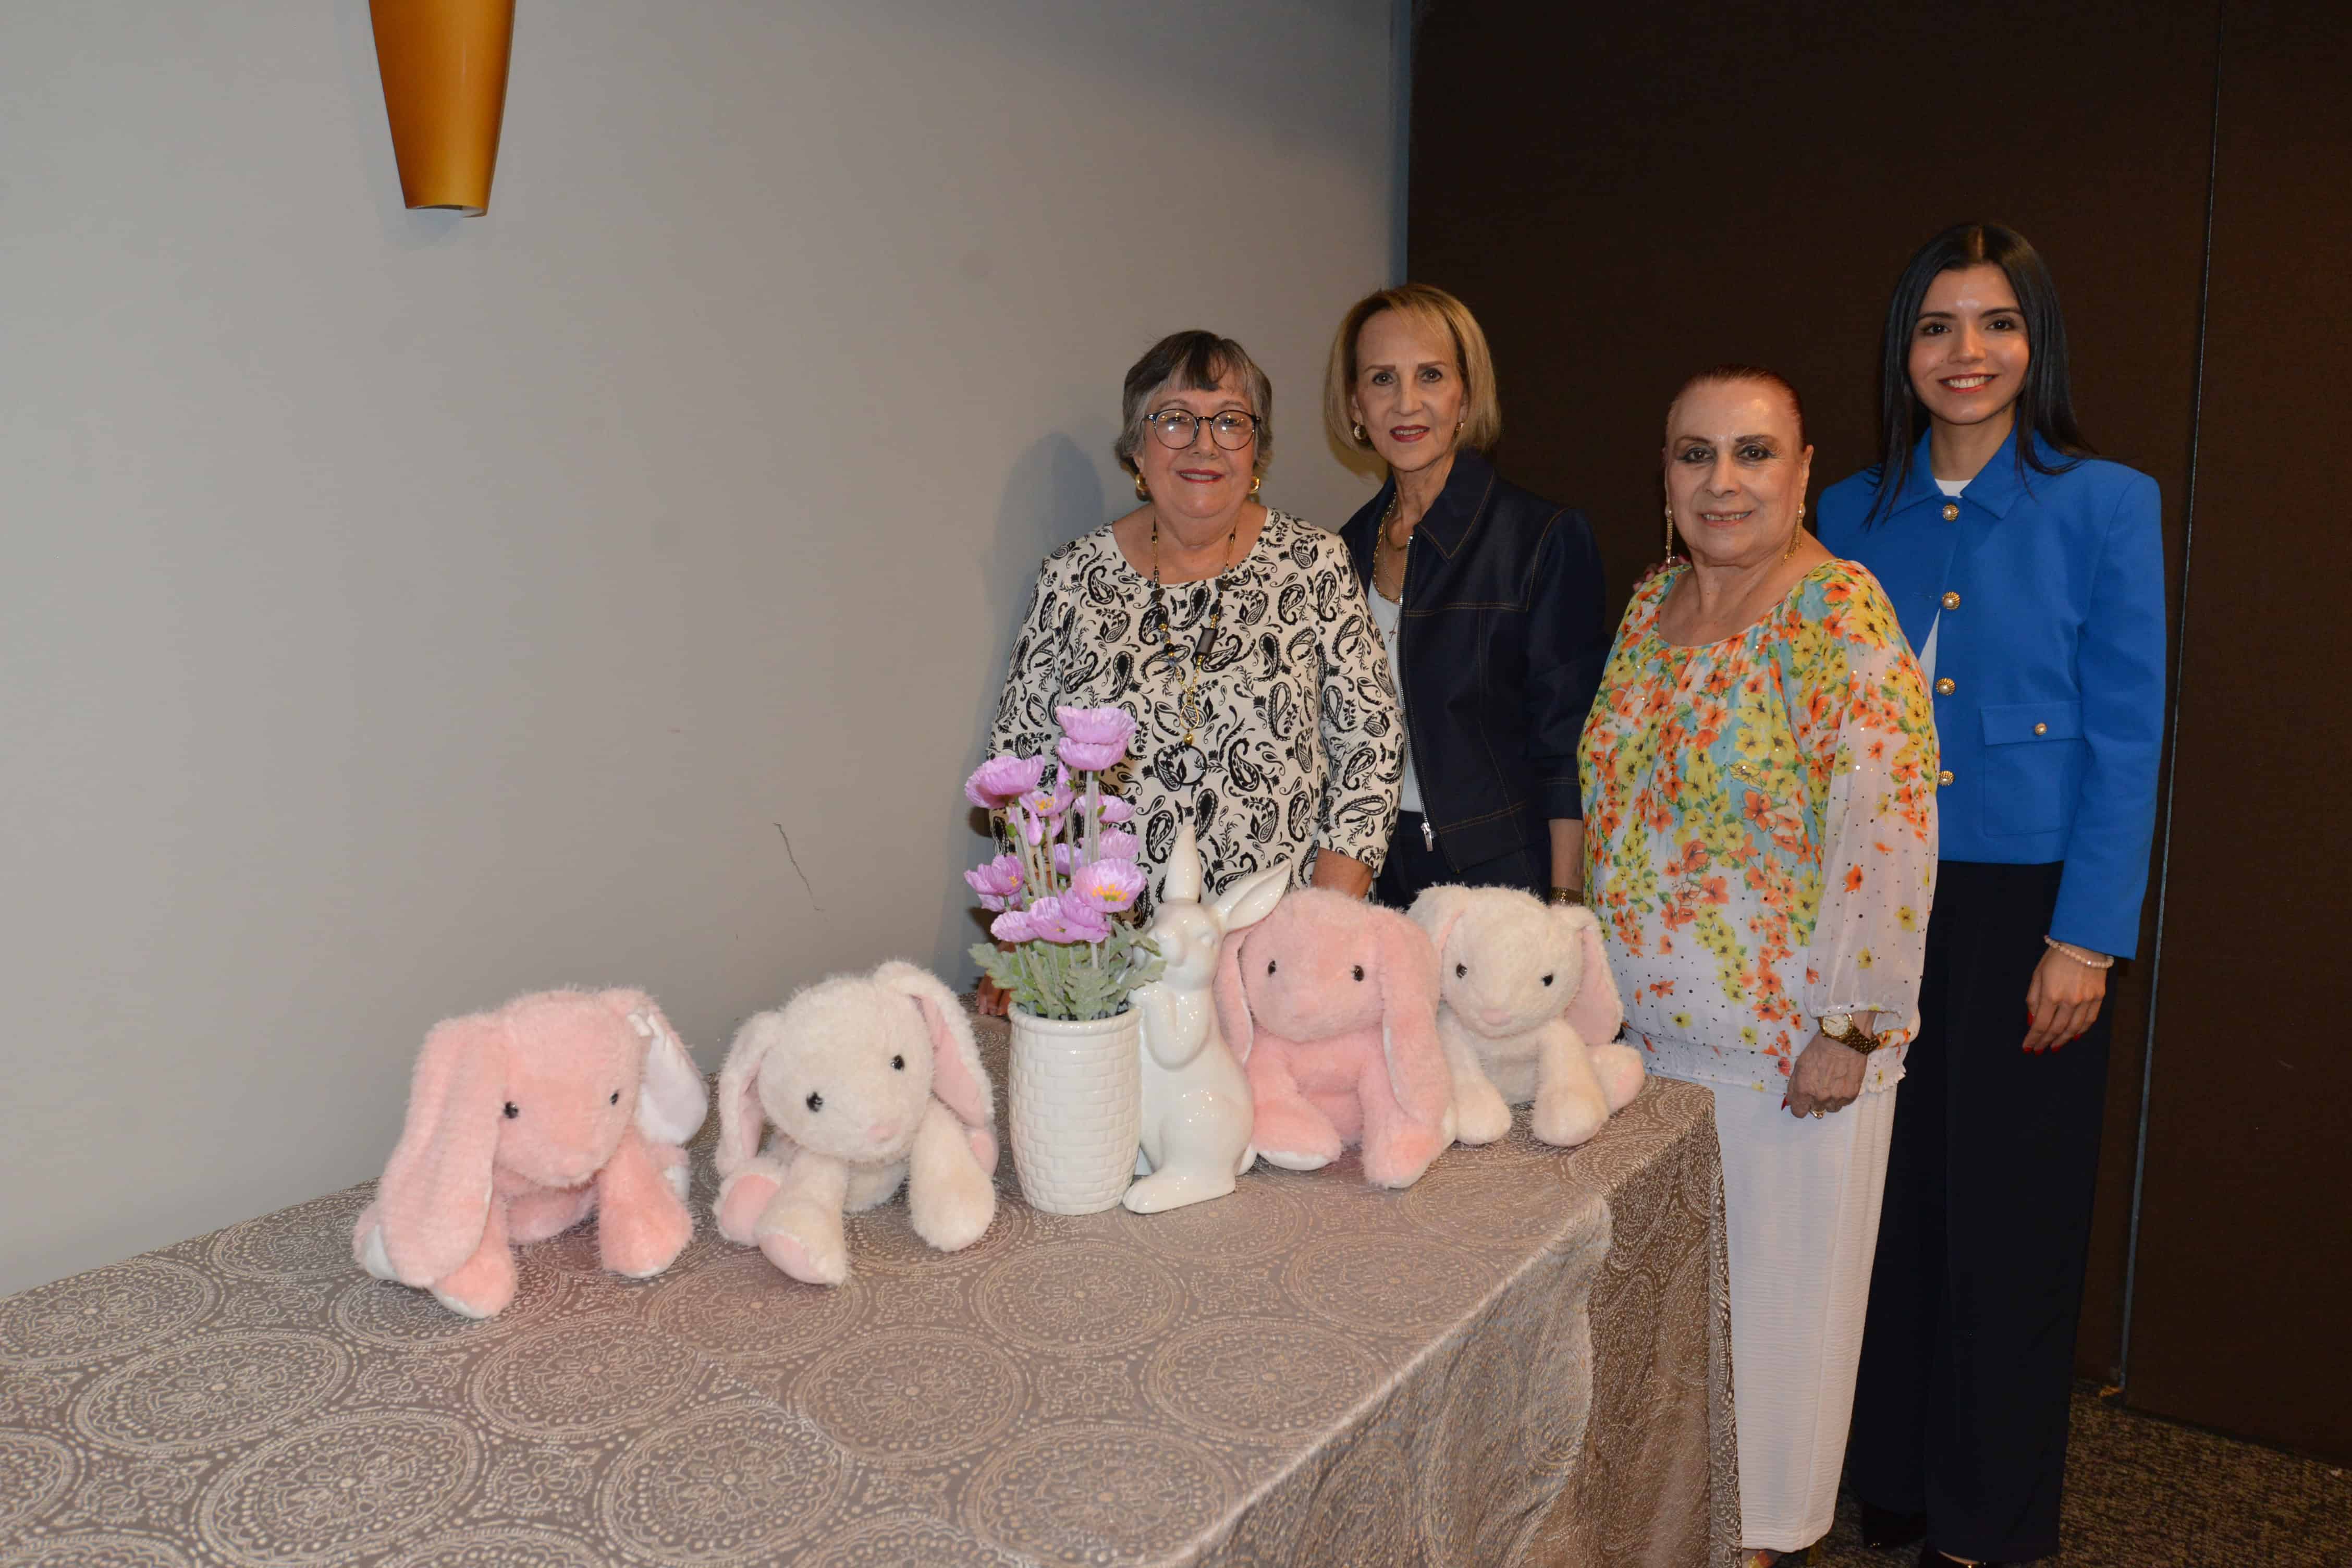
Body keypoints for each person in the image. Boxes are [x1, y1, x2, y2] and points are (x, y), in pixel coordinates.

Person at [1821, 223, 2166, 1568]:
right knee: (1890, 1203)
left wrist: (2084, 934)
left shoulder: (2104, 501)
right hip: (1881, 901)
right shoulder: (1844, 509)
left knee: (2008, 1221)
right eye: (1935, 327)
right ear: (1900, 349)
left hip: (2031, 901)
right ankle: (1889, 1484)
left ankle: (1990, 1515)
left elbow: (2128, 729)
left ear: (2035, 343)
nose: (1965, 354)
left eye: (1995, 323)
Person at [1580, 366, 1939, 1566]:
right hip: (1644, 1061)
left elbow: (1884, 823)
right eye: (1693, 454)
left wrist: (1851, 1027)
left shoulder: (1838, 611)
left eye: (1750, 453)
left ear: (1799, 469)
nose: (1719, 481)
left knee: (1771, 1367)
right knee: (1662, 1356)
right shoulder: (1645, 608)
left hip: (1791, 1063)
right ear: (1664, 475)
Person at [979, 329, 1402, 1014]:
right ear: (1137, 450)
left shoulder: (1315, 564)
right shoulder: (1071, 581)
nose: (1204, 445)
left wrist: (1319, 926)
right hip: (1108, 967)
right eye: (1175, 420)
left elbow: (1371, 750)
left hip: (1283, 965)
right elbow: (1023, 769)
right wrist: (1033, 939)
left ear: (1256, 452)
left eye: (1230, 421)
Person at [1326, 284, 1610, 910]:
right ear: (1355, 404)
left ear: (1466, 394)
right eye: (1381, 379)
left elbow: (1570, 751)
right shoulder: (1337, 552)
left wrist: (1565, 906)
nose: (1406, 403)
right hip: (1369, 875)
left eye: (1430, 375)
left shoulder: (1541, 538)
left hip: (1501, 880)